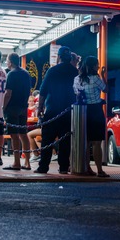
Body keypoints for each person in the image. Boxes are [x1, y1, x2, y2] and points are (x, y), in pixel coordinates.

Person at [34, 46, 78, 174]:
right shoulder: (74, 72)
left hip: (52, 110)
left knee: (47, 139)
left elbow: (43, 91)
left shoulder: (52, 71)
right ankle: (64, 167)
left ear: (58, 57)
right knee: (65, 141)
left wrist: (40, 107)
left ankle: (43, 166)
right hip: (69, 111)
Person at [73, 55, 109, 177]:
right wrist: (103, 76)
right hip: (96, 111)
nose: (98, 66)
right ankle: (99, 170)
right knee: (97, 143)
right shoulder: (95, 78)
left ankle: (87, 167)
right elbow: (106, 89)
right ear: (94, 66)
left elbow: (76, 93)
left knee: (86, 142)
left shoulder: (77, 79)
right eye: (97, 64)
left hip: (82, 112)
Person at [2, 52, 32, 171]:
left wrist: (4, 107)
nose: (7, 63)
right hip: (23, 107)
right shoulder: (26, 73)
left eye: (7, 61)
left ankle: (16, 162)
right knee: (23, 135)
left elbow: (8, 93)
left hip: (13, 107)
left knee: (14, 135)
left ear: (10, 62)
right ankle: (27, 162)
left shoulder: (11, 74)